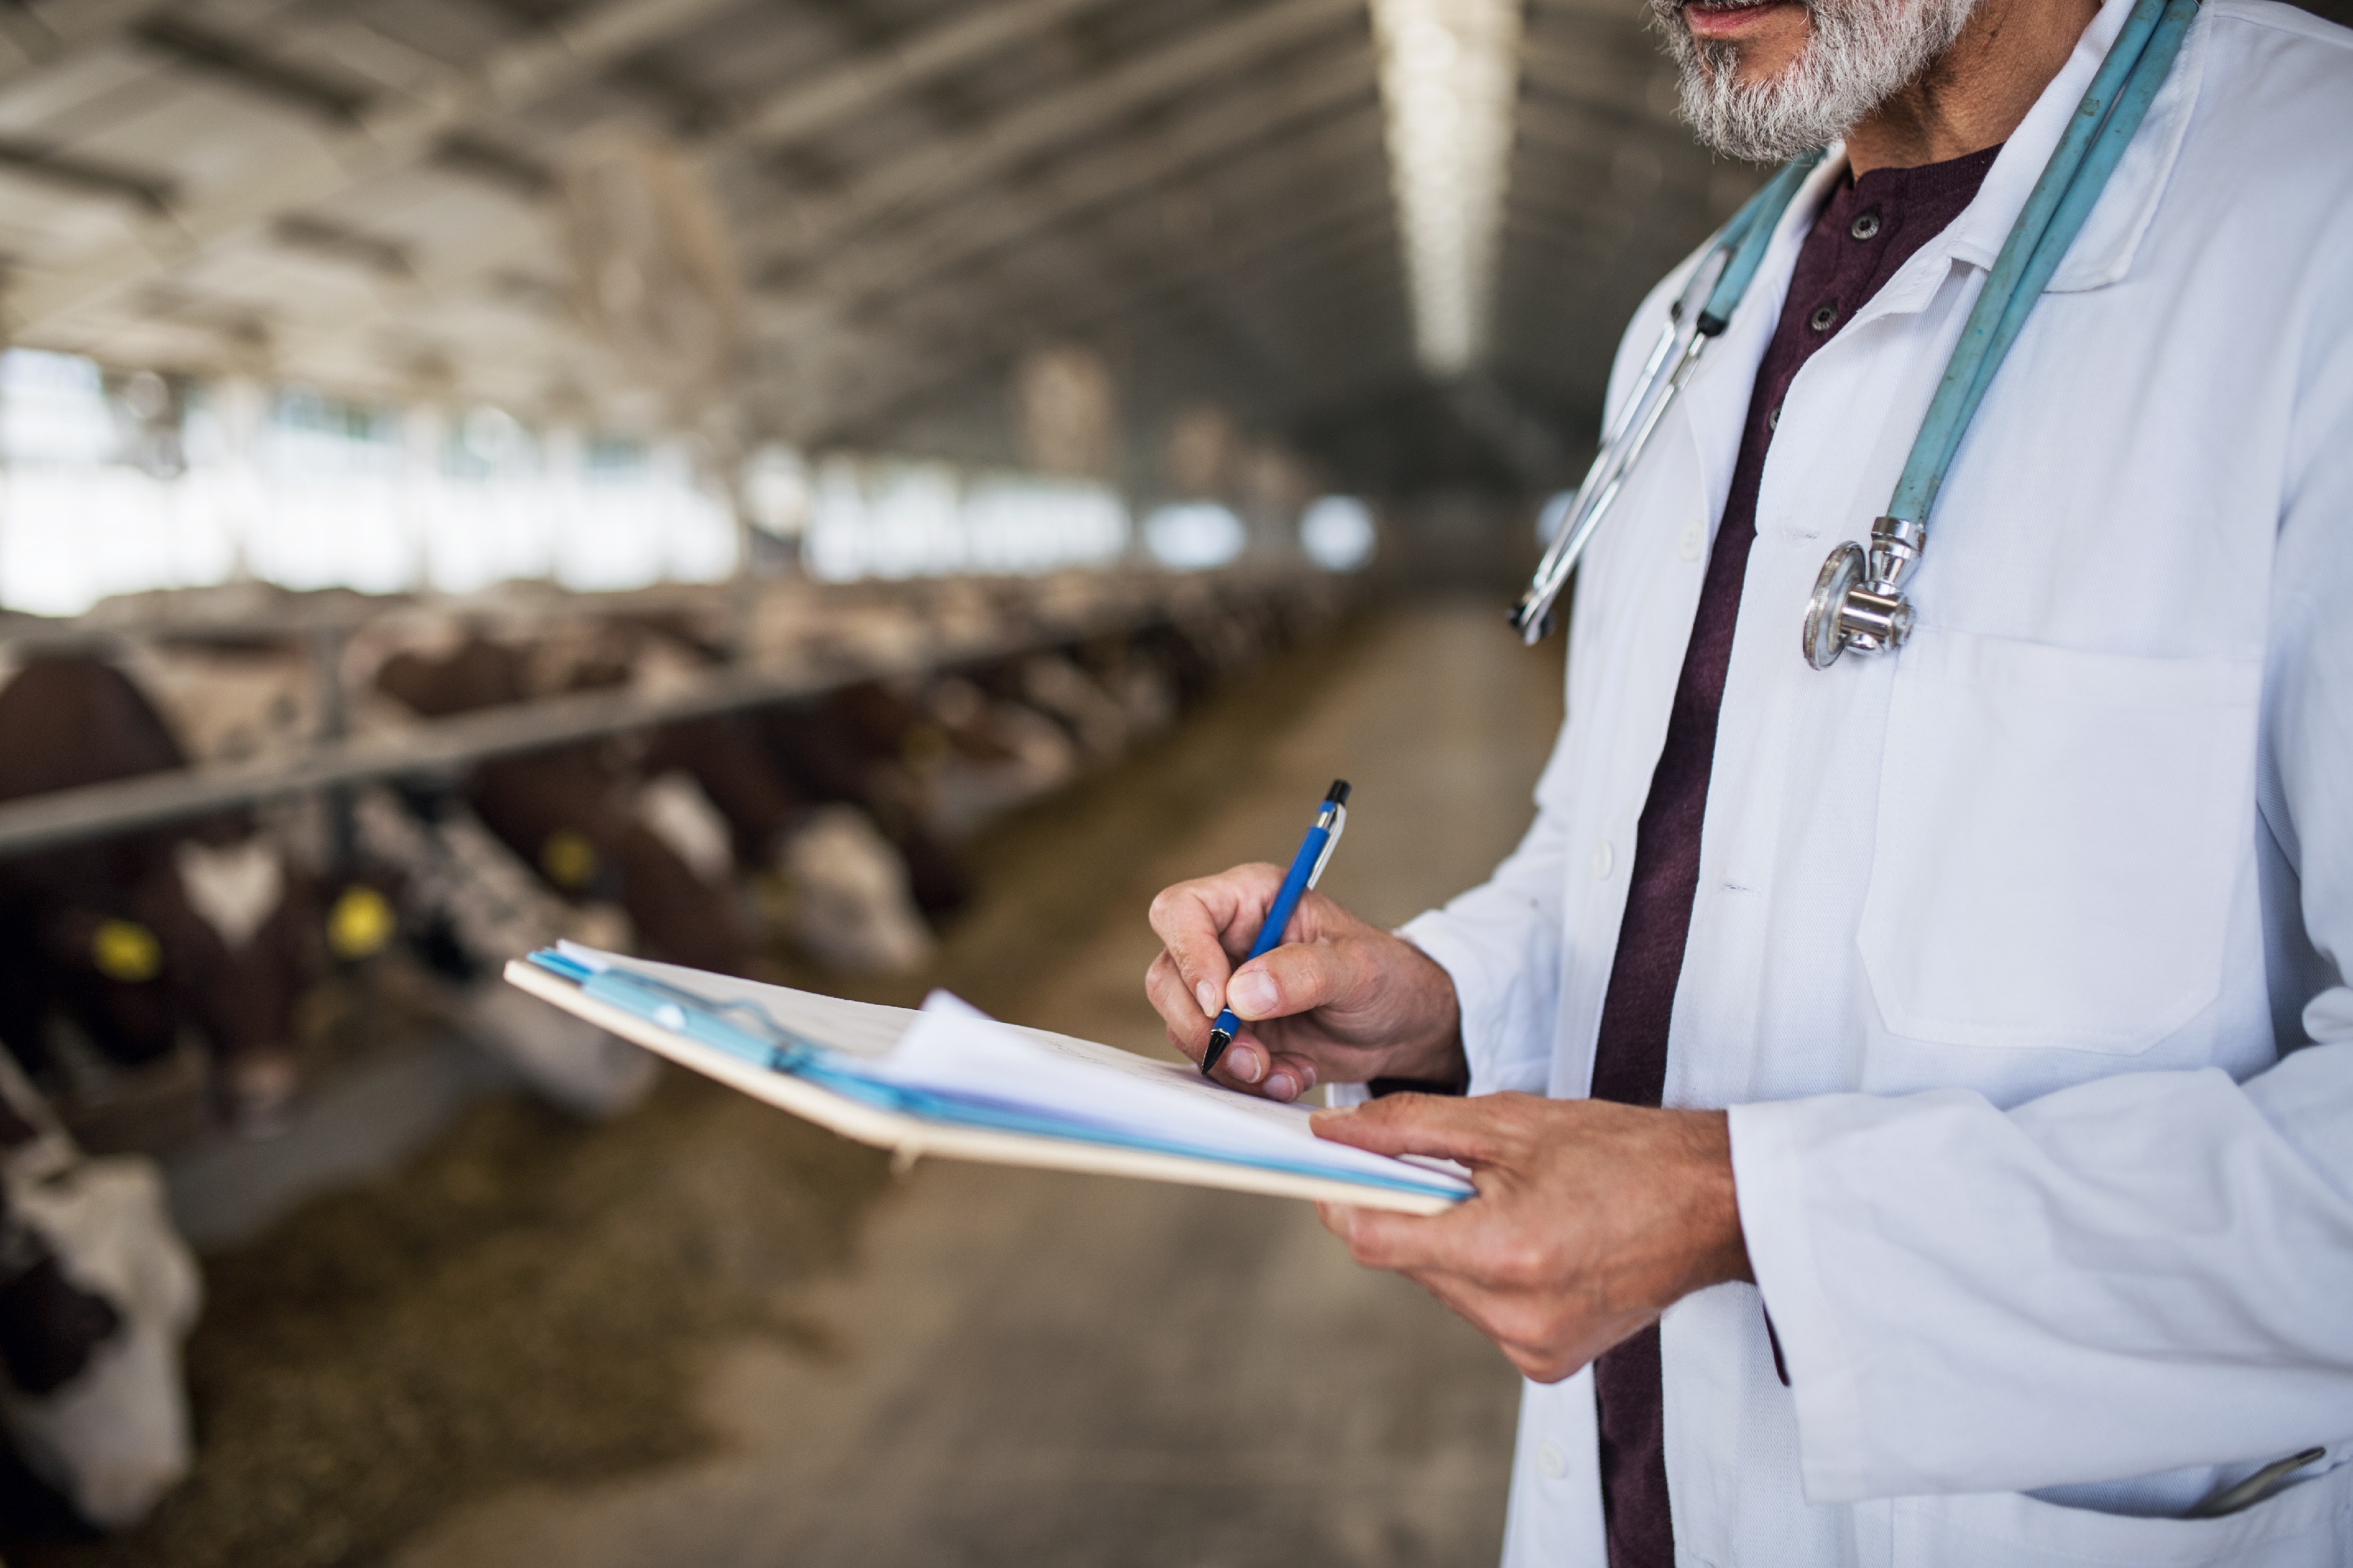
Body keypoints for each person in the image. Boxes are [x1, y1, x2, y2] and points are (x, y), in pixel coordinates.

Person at [1143, 0, 2353, 1561]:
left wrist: (1746, 1210)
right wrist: (1436, 999)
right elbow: (1627, 849)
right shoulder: (1693, 324)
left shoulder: (2312, 228)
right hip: (1631, 1494)